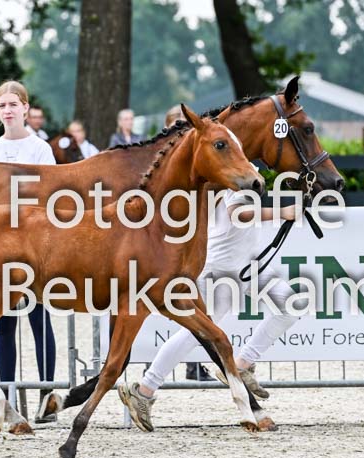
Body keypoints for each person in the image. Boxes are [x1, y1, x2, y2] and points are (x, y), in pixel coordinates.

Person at [118, 179, 300, 432]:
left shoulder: (247, 170)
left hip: (249, 265)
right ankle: (144, 390)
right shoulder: (238, 173)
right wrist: (283, 212)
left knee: (291, 305)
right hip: (222, 269)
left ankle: (242, 365)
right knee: (197, 333)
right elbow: (237, 213)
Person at [0, 81, 57, 423]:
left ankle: (47, 395)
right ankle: (8, 398)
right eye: (2, 105)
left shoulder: (40, 150)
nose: (7, 110)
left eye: (13, 104)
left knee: (40, 319)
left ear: (25, 107)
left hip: (34, 246)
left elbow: (49, 196)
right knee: (4, 321)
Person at [163, 105, 214, 382]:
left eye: (185, 124)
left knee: (196, 312)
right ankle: (152, 373)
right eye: (177, 124)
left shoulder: (198, 160)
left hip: (191, 249)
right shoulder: (163, 165)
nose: (182, 129)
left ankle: (195, 365)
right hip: (165, 252)